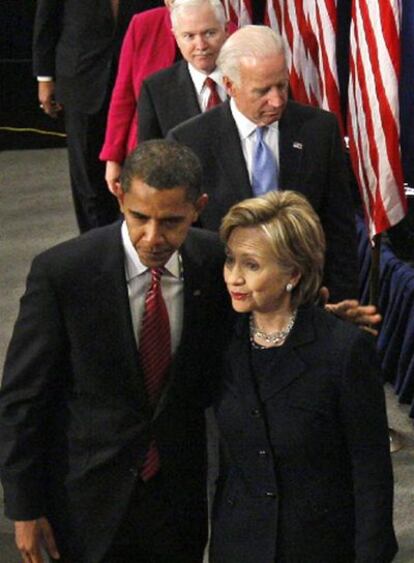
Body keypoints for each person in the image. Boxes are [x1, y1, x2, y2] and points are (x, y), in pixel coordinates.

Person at [0, 140, 228, 563]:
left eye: (172, 221)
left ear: (198, 207)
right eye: (140, 217)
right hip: (86, 503)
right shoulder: (64, 272)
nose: (153, 237)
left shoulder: (215, 263)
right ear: (120, 195)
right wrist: (24, 508)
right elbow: (22, 398)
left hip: (178, 503)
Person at [211, 190, 398, 563]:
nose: (234, 277)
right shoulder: (219, 340)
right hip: (239, 544)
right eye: (231, 261)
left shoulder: (342, 351)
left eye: (251, 265)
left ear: (293, 273)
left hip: (319, 546)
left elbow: (370, 471)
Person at [168, 25, 359, 304]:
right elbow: (185, 238)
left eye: (281, 85)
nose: (277, 100)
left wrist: (342, 303)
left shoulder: (319, 130)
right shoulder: (190, 141)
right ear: (230, 86)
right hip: (222, 304)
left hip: (303, 301)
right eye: (263, 90)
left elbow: (340, 230)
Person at [33, 0, 164, 233]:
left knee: (140, 166)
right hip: (80, 78)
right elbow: (46, 18)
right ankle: (94, 243)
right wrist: (44, 77)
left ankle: (134, 237)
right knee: (86, 174)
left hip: (136, 76)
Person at [100, 0, 178, 194]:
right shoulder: (143, 25)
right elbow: (123, 97)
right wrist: (113, 158)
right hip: (145, 148)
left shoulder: (223, 29)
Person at [137, 0, 230, 145]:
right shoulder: (156, 89)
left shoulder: (249, 77)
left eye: (209, 33)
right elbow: (151, 159)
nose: (201, 46)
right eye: (189, 36)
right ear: (175, 37)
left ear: (226, 30)